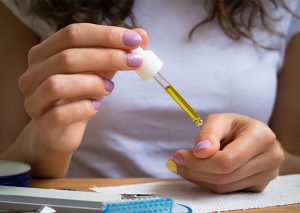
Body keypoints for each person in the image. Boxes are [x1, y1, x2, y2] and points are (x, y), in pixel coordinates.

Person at [0, 0, 299, 194]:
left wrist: (266, 162)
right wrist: (45, 143)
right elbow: (6, 168)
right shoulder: (28, 5)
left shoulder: (284, 8)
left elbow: (294, 169)